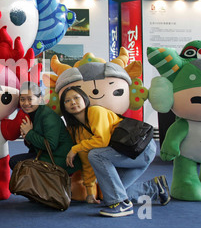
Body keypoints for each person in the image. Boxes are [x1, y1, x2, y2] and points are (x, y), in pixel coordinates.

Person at [61, 86, 171, 217]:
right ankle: (156, 187)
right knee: (108, 192)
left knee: (96, 155)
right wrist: (90, 192)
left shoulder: (95, 111)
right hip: (125, 154)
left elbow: (101, 141)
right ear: (64, 108)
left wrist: (75, 148)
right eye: (67, 101)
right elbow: (86, 161)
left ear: (85, 99)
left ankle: (120, 205)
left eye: (76, 97)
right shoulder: (76, 130)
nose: (73, 102)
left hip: (141, 150)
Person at [11, 81, 81, 174]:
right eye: (22, 99)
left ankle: (39, 187)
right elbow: (35, 145)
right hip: (46, 155)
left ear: (40, 99)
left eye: (30, 99)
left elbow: (51, 145)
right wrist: (28, 138)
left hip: (60, 158)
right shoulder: (31, 115)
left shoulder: (47, 115)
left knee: (17, 163)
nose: (26, 103)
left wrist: (29, 133)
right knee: (16, 162)